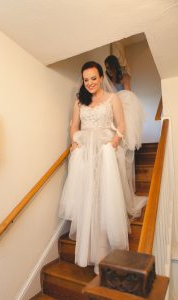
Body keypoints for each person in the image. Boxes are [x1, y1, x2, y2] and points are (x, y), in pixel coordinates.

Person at [59, 61, 129, 274]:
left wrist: (114, 143)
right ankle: (88, 253)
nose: (89, 83)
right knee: (87, 199)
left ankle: (106, 255)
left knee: (104, 199)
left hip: (104, 152)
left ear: (101, 77)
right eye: (86, 79)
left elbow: (122, 124)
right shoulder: (80, 101)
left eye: (93, 78)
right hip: (85, 156)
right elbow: (74, 126)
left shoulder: (112, 98)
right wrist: (74, 142)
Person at [104, 55, 147, 220]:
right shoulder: (107, 80)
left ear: (114, 65)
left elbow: (128, 94)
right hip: (116, 115)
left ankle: (128, 196)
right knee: (118, 160)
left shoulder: (125, 77)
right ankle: (120, 198)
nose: (107, 70)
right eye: (106, 68)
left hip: (125, 113)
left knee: (127, 158)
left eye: (108, 67)